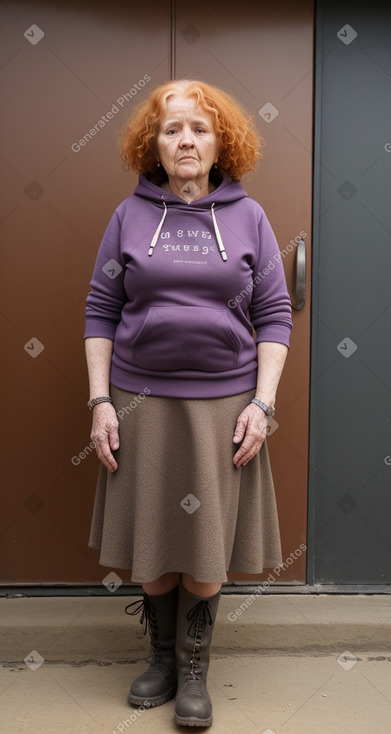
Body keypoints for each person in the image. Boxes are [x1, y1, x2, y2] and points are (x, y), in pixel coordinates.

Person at [84, 79, 292, 728]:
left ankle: (197, 667)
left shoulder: (249, 217)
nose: (185, 140)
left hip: (222, 404)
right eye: (172, 129)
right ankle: (163, 657)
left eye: (199, 129)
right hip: (139, 399)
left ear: (219, 141)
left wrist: (262, 403)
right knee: (153, 534)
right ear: (153, 142)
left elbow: (275, 316)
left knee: (203, 543)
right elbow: (100, 311)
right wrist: (99, 402)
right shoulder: (129, 215)